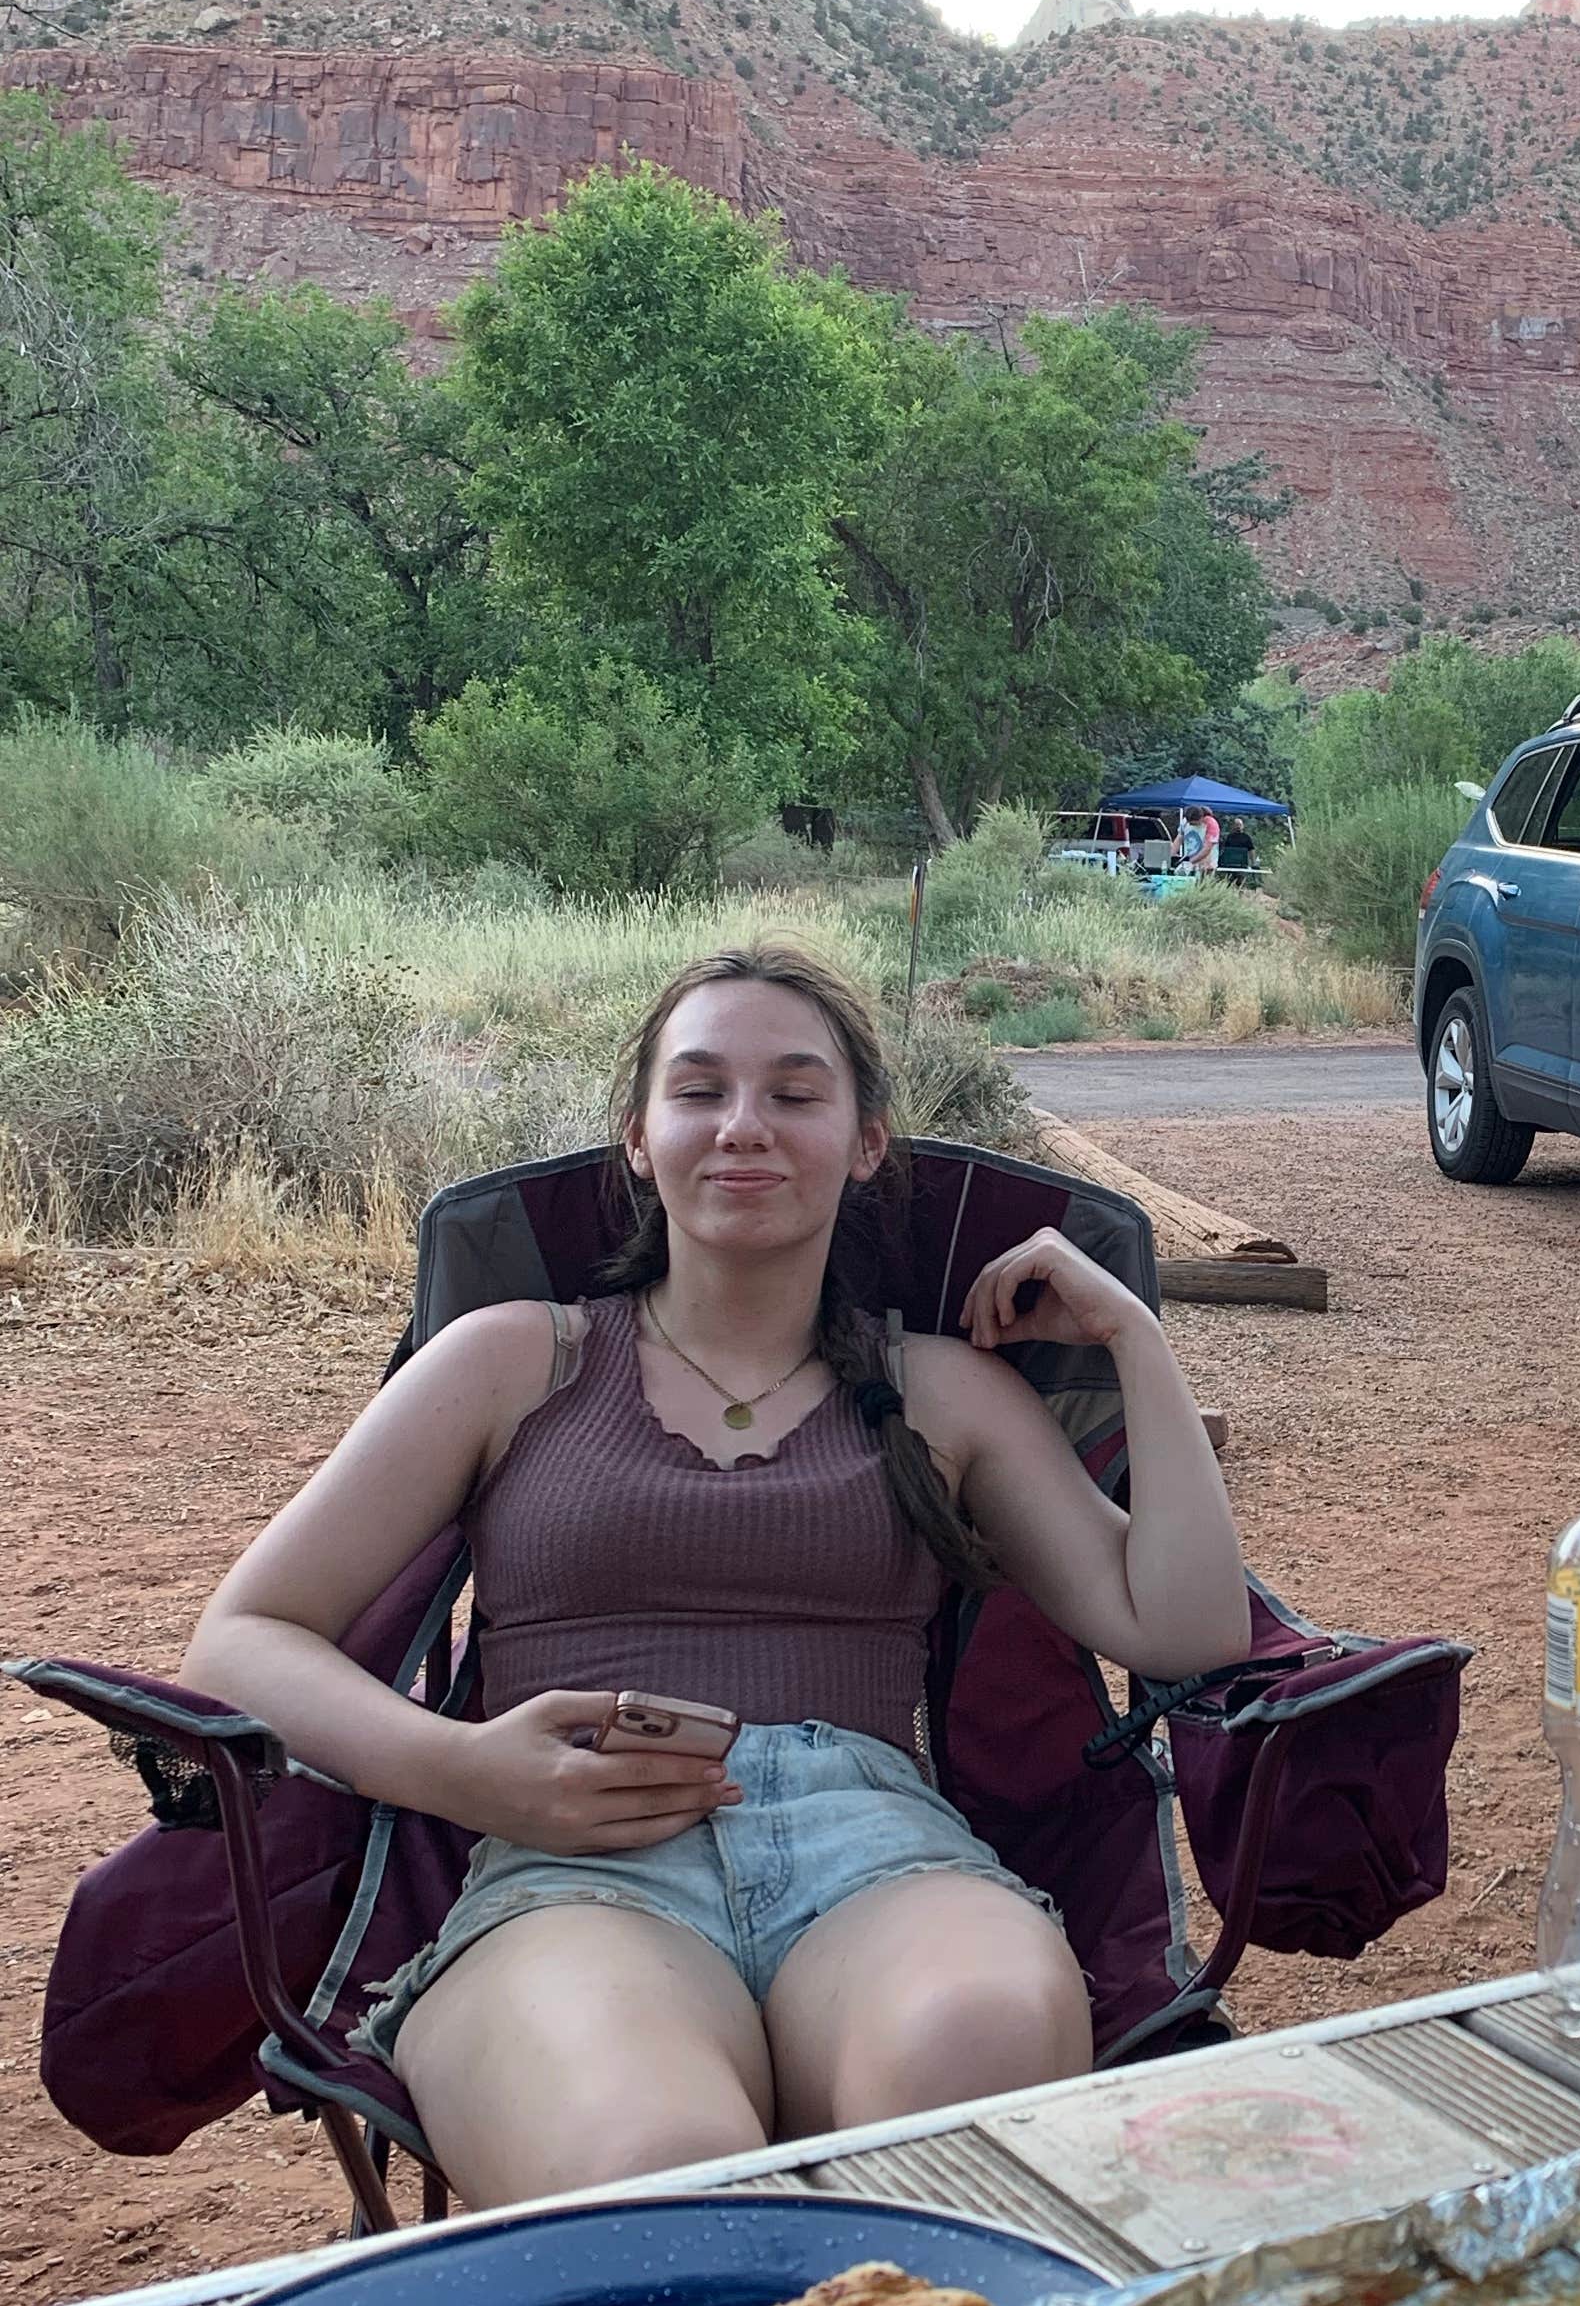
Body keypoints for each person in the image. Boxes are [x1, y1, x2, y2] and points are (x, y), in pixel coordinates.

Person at [182, 940, 1249, 2209]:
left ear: (866, 1143)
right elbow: (243, 1636)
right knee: (659, 2170)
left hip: (879, 1855)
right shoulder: (512, 1362)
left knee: (973, 2074)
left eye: (796, 1094)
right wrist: (461, 1769)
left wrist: (1134, 1334)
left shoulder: (940, 1391)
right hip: (571, 1870)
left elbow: (1183, 1629)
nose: (744, 1127)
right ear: (637, 1137)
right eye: (699, 1092)